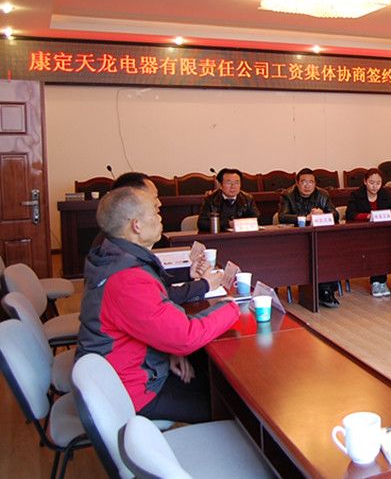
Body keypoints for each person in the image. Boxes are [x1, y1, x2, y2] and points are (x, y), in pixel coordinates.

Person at [77, 187, 240, 423]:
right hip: (130, 390)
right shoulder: (127, 278)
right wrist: (232, 306)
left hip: (126, 370)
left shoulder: (114, 256)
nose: (160, 216)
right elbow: (185, 336)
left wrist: (168, 349)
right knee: (229, 403)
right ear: (136, 225)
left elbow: (155, 318)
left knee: (209, 375)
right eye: (154, 212)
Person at [91, 171, 219, 304]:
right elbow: (157, 297)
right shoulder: (121, 262)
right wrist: (204, 285)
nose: (159, 204)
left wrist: (188, 274)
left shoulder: (116, 244)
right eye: (153, 199)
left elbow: (153, 282)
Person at [279, 168, 341, 308]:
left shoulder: (323, 194)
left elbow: (336, 214)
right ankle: (324, 291)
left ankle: (326, 290)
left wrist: (323, 213)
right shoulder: (287, 195)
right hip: (296, 239)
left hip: (319, 237)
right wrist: (306, 217)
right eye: (304, 182)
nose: (307, 185)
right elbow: (282, 216)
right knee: (314, 254)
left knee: (329, 252)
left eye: (311, 182)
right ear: (297, 183)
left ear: (315, 184)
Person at [345, 168, 391, 297]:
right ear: (365, 181)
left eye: (378, 183)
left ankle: (381, 281)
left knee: (384, 246)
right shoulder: (356, 195)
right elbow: (350, 214)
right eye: (371, 182)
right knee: (376, 247)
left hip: (382, 233)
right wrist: (368, 216)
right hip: (362, 234)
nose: (375, 186)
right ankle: (377, 282)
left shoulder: (385, 194)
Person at [197, 168, 260, 232]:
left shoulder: (247, 199)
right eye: (229, 183)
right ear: (220, 185)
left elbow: (256, 219)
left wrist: (239, 224)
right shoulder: (211, 199)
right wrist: (227, 224)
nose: (233, 186)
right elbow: (202, 223)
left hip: (241, 235)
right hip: (220, 236)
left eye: (236, 183)